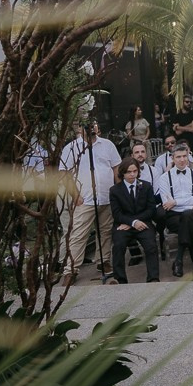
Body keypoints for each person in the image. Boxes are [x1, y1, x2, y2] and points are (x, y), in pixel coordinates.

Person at [59, 122, 120, 284]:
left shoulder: (107, 145)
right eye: (87, 126)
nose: (91, 128)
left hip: (106, 197)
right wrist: (75, 195)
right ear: (80, 129)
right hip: (84, 199)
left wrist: (118, 192)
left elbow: (116, 169)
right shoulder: (71, 148)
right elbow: (64, 173)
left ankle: (103, 260)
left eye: (94, 125)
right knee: (78, 234)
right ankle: (71, 269)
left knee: (106, 231)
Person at [157, 144, 193, 279]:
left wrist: (177, 202)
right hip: (174, 217)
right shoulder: (164, 178)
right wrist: (191, 206)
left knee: (187, 217)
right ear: (172, 158)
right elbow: (167, 205)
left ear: (188, 156)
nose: (182, 159)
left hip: (191, 214)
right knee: (190, 225)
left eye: (185, 156)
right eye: (178, 157)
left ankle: (178, 260)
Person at [108, 158, 160, 284]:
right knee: (118, 245)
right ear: (122, 173)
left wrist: (136, 222)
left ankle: (153, 278)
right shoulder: (115, 190)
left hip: (143, 222)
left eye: (135, 171)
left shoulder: (146, 186)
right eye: (128, 172)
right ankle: (120, 279)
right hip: (123, 224)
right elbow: (117, 214)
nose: (132, 174)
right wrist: (132, 223)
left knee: (151, 245)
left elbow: (151, 209)